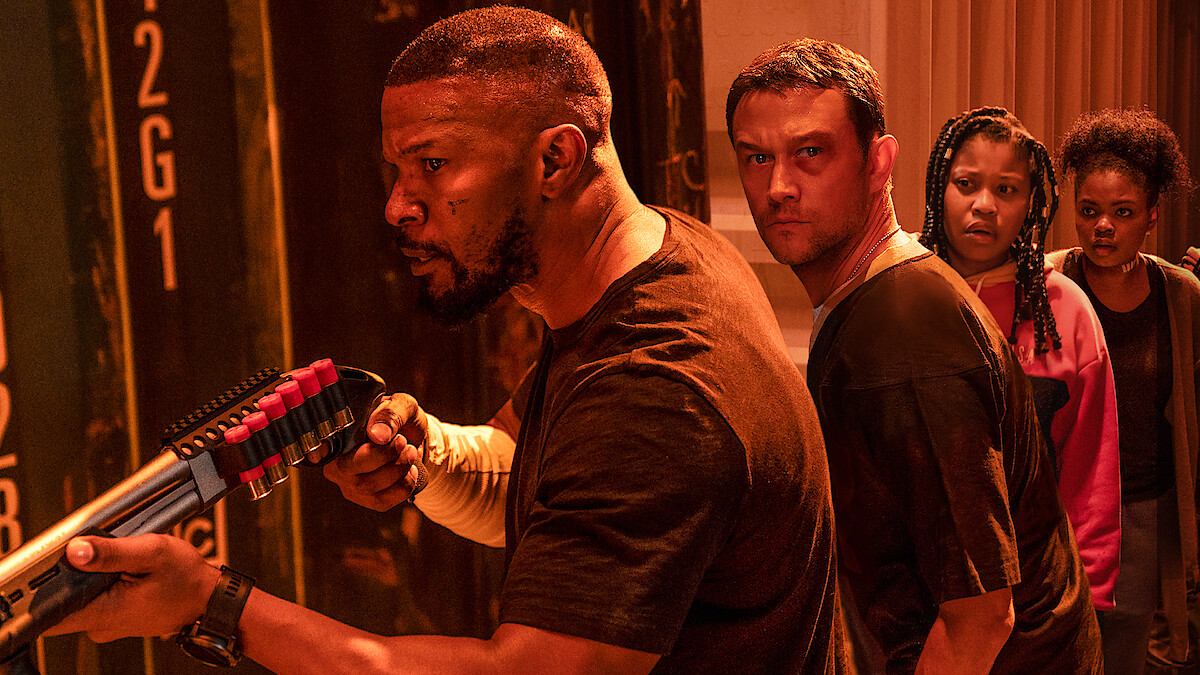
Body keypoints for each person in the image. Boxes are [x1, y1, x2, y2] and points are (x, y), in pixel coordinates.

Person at [47, 7, 846, 674]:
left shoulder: (655, 385)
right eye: (397, 170)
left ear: (556, 159)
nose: (398, 205)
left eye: (433, 164)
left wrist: (211, 603)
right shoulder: (664, 257)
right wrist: (424, 454)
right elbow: (529, 474)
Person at [726, 38, 1101, 673]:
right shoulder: (876, 300)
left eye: (810, 152)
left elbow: (981, 619)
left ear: (880, 162)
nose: (779, 187)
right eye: (757, 157)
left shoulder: (906, 332)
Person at [920, 107, 1121, 613]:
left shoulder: (1066, 311)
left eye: (1006, 189)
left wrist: (1089, 596)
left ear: (1030, 202)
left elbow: (1091, 469)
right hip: (916, 592)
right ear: (940, 189)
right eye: (966, 184)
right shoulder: (899, 299)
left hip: (1039, 593)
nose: (984, 204)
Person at [1048, 107, 1199, 675]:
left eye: (1122, 212)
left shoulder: (1180, 296)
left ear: (1152, 215)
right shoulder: (1047, 286)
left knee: (1126, 656)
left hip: (1144, 514)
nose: (1102, 227)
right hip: (1061, 512)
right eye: (1089, 211)